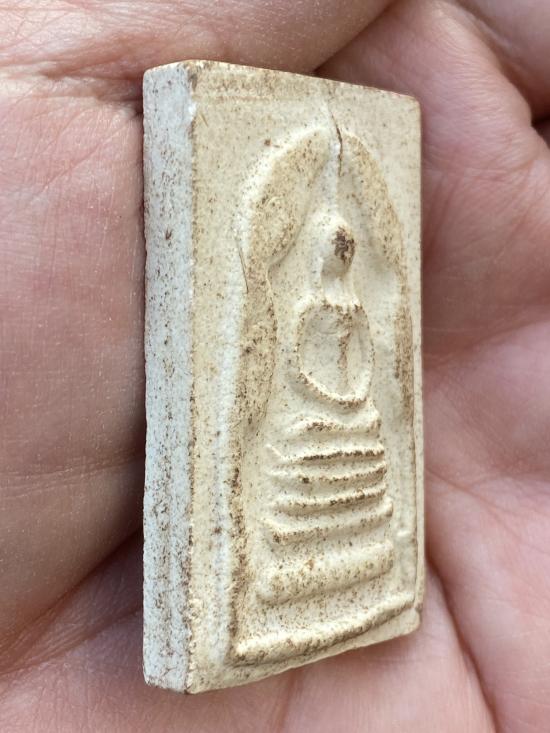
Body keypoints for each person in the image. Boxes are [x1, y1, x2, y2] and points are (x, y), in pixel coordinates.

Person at [1, 1, 548, 730]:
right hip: (307, 420)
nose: (338, 262)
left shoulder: (348, 300)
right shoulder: (301, 299)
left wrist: (352, 374)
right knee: (295, 485)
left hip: (346, 419)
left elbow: (363, 356)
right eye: (330, 250)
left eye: (346, 251)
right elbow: (286, 352)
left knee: (359, 477)